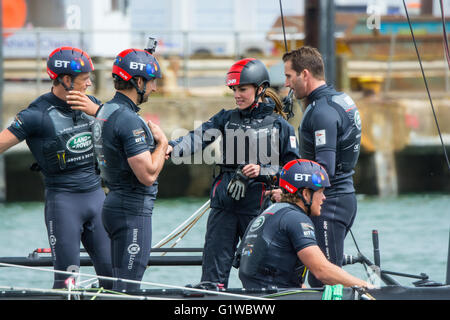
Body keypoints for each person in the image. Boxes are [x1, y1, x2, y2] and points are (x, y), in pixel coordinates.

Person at [166, 58, 300, 288]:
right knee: (212, 279)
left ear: (260, 89)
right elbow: (196, 138)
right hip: (224, 205)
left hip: (259, 211)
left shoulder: (281, 126)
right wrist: (172, 148)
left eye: (242, 89)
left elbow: (294, 170)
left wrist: (263, 170)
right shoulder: (225, 118)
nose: (237, 94)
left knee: (260, 275)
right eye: (234, 90)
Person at [0, 46, 112, 289]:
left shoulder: (91, 104)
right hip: (64, 205)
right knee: (67, 284)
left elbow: (121, 131)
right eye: (85, 79)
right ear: (66, 80)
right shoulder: (36, 115)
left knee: (113, 276)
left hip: (97, 199)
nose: (90, 84)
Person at [78, 48, 168, 291]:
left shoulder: (105, 110)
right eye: (152, 82)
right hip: (132, 213)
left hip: (114, 205)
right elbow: (147, 175)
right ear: (138, 81)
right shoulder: (128, 119)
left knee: (114, 288)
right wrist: (162, 144)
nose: (154, 88)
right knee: (128, 290)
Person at [282, 46, 362, 287]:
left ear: (304, 74)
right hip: (341, 199)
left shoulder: (322, 112)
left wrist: (287, 188)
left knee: (325, 279)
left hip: (330, 204)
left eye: (289, 76)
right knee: (322, 275)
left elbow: (324, 169)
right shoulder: (338, 99)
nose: (286, 84)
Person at [237, 159, 371, 289]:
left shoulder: (269, 213)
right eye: (321, 192)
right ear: (306, 194)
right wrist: (367, 287)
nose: (324, 198)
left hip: (258, 291)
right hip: (273, 294)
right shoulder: (296, 219)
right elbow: (322, 271)